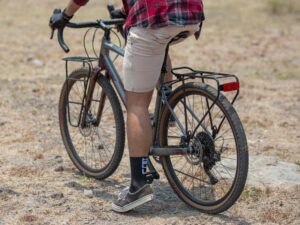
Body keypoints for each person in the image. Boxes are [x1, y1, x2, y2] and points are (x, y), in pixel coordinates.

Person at [49, 0, 204, 213]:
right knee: (159, 47)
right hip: (191, 14)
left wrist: (65, 16)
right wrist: (125, 11)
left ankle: (138, 185)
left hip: (155, 15)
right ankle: (165, 114)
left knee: (137, 105)